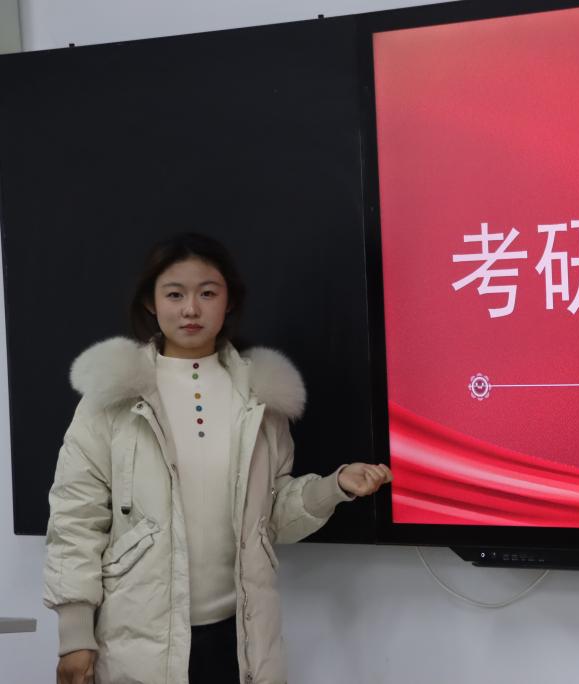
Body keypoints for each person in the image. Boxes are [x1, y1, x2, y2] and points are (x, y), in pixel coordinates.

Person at [43, 233, 391, 684]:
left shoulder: (260, 397)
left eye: (207, 293)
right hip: (139, 645)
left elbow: (271, 519)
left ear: (229, 302)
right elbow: (75, 517)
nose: (191, 309)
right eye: (175, 294)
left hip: (241, 642)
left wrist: (334, 487)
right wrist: (75, 634)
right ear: (151, 302)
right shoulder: (113, 395)